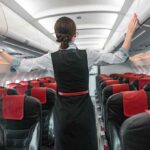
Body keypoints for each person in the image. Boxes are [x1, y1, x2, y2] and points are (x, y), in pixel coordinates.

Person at [0, 14, 139, 150]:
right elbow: (120, 57)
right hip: (84, 111)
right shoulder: (88, 54)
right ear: (75, 35)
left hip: (63, 113)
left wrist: (2, 51)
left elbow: (19, 64)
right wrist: (130, 32)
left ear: (57, 36)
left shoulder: (50, 58)